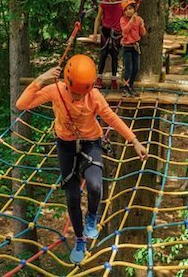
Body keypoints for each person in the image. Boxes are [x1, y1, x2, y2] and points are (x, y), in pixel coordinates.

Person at [16, 54, 148, 264]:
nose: (77, 98)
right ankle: (80, 239)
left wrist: (134, 140)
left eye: (81, 94)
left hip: (90, 142)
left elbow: (111, 118)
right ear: (67, 84)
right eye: (74, 93)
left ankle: (92, 217)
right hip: (66, 144)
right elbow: (22, 104)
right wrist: (40, 79)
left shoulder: (94, 96)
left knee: (95, 186)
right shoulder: (56, 90)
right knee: (72, 196)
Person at [92, 0, 126, 90]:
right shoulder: (104, 3)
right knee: (103, 55)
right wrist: (95, 33)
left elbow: (128, 18)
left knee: (115, 56)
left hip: (117, 33)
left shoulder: (122, 4)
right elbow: (98, 19)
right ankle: (99, 78)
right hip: (106, 32)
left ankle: (114, 80)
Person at [119, 0, 146, 96]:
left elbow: (143, 33)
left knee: (136, 68)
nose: (128, 11)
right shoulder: (122, 20)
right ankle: (125, 88)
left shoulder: (138, 19)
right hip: (127, 47)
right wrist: (131, 20)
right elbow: (125, 31)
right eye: (126, 10)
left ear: (134, 9)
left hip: (135, 46)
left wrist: (141, 25)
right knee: (128, 68)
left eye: (130, 8)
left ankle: (130, 85)